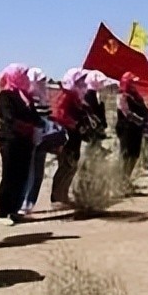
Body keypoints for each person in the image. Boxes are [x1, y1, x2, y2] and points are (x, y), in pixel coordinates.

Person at [0, 63, 43, 225]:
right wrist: (27, 126)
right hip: (11, 140)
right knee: (9, 176)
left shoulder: (25, 95)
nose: (25, 78)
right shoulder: (5, 95)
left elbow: (35, 116)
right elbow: (8, 117)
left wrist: (40, 125)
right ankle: (3, 213)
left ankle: (14, 210)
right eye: (22, 74)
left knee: (21, 176)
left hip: (26, 141)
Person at [50, 68, 92, 209]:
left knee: (72, 167)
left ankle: (64, 195)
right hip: (66, 137)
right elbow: (58, 114)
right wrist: (73, 124)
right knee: (65, 166)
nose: (83, 84)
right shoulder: (65, 95)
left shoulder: (77, 97)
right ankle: (56, 198)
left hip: (75, 137)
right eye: (80, 81)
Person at [20, 67, 53, 215]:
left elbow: (47, 116)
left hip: (43, 137)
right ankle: (22, 202)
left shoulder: (43, 96)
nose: (42, 83)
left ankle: (30, 202)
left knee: (38, 171)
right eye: (39, 80)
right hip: (30, 137)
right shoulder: (27, 97)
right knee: (29, 170)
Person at [116, 71, 148, 179]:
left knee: (135, 155)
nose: (134, 85)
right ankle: (121, 180)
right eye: (132, 82)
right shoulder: (122, 96)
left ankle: (126, 178)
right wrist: (138, 119)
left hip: (136, 129)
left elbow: (144, 109)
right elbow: (126, 112)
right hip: (126, 129)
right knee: (126, 155)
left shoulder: (137, 96)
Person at [82, 69, 109, 142]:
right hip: (94, 128)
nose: (102, 84)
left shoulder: (93, 94)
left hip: (95, 127)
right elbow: (93, 112)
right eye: (101, 82)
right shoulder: (90, 96)